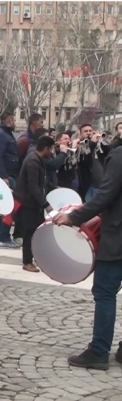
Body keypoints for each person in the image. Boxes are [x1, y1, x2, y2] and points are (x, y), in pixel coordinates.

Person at [52, 136, 122, 370]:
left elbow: (105, 195)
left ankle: (99, 351)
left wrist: (73, 217)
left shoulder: (120, 155)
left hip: (117, 238)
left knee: (104, 293)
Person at [13, 135, 56, 273]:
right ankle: (27, 262)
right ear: (45, 148)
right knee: (30, 233)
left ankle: (37, 257)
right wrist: (46, 204)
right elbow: (33, 186)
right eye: (51, 149)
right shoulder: (32, 161)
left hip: (34, 203)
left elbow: (41, 181)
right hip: (29, 204)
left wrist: (53, 187)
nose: (51, 152)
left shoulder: (38, 159)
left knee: (38, 232)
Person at [0, 112, 20, 249]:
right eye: (13, 119)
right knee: (7, 207)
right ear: (8, 120)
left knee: (1, 207)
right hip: (5, 176)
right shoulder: (1, 135)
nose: (15, 122)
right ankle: (3, 237)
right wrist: (4, 177)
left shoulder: (4, 134)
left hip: (7, 175)